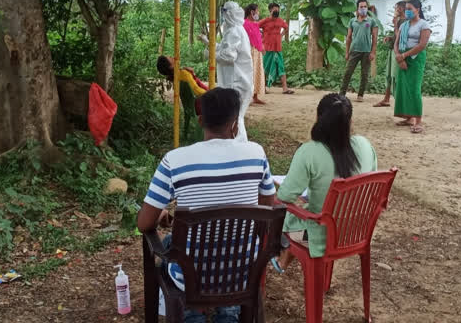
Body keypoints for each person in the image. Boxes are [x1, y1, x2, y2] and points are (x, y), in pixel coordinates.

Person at [137, 88, 277, 323]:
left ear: (201, 121)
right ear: (235, 124)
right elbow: (266, 209)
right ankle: (228, 310)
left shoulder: (175, 160)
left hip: (192, 275)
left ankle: (192, 312)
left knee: (173, 247)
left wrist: (161, 213)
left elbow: (144, 224)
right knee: (226, 252)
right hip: (241, 272)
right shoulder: (256, 153)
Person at [270, 93, 377, 272]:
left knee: (281, 215)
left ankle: (281, 257)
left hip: (321, 239)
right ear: (349, 121)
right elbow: (368, 183)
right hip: (357, 233)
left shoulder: (310, 152)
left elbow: (285, 196)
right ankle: (284, 260)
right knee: (307, 208)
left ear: (319, 119)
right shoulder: (364, 145)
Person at [216, 1, 254, 141]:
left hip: (236, 83)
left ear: (228, 14)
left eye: (223, 13)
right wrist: (209, 43)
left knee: (235, 120)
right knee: (235, 119)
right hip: (241, 82)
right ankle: (238, 148)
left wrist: (211, 55)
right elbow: (225, 48)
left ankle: (240, 148)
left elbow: (228, 56)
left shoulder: (233, 31)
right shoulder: (238, 29)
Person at [394, 0, 431, 134]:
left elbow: (422, 45)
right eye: (406, 9)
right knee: (403, 88)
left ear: (418, 10)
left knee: (414, 88)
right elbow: (396, 43)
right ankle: (408, 117)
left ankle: (418, 121)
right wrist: (399, 57)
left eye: (410, 9)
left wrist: (404, 56)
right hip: (402, 58)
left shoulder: (424, 25)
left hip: (415, 59)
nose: (407, 11)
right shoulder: (404, 25)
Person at [157, 55, 207, 143]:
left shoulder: (175, 77)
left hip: (191, 106)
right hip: (202, 103)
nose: (173, 57)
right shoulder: (183, 73)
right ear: (171, 66)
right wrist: (213, 93)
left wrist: (192, 74)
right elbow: (197, 90)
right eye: (170, 58)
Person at [339, 0, 380, 102]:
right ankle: (342, 94)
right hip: (354, 50)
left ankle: (360, 95)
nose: (363, 9)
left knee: (364, 74)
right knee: (348, 72)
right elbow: (348, 37)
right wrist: (347, 52)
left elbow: (375, 38)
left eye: (365, 7)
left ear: (367, 8)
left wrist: (373, 52)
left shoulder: (372, 21)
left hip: (366, 51)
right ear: (357, 9)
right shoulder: (352, 21)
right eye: (361, 7)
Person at [374, 1, 407, 107]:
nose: (395, 10)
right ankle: (386, 99)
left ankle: (399, 102)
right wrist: (390, 38)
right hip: (392, 50)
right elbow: (396, 37)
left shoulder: (405, 21)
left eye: (396, 8)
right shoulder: (399, 20)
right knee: (389, 75)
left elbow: (400, 37)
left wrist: (395, 24)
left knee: (395, 76)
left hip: (398, 52)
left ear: (401, 9)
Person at [258, 2, 294, 94]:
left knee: (281, 67)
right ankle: (263, 88)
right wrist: (261, 35)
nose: (277, 11)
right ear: (270, 10)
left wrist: (281, 35)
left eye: (278, 10)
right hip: (267, 48)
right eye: (275, 9)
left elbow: (286, 27)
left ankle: (285, 89)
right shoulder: (265, 21)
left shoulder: (280, 20)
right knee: (265, 68)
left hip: (278, 48)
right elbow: (255, 27)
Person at [243, 4, 266, 105]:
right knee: (250, 73)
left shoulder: (255, 24)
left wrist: (262, 47)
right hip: (250, 51)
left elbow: (258, 38)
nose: (258, 13)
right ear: (252, 12)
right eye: (257, 11)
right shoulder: (244, 24)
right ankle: (248, 96)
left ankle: (255, 96)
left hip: (257, 52)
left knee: (257, 72)